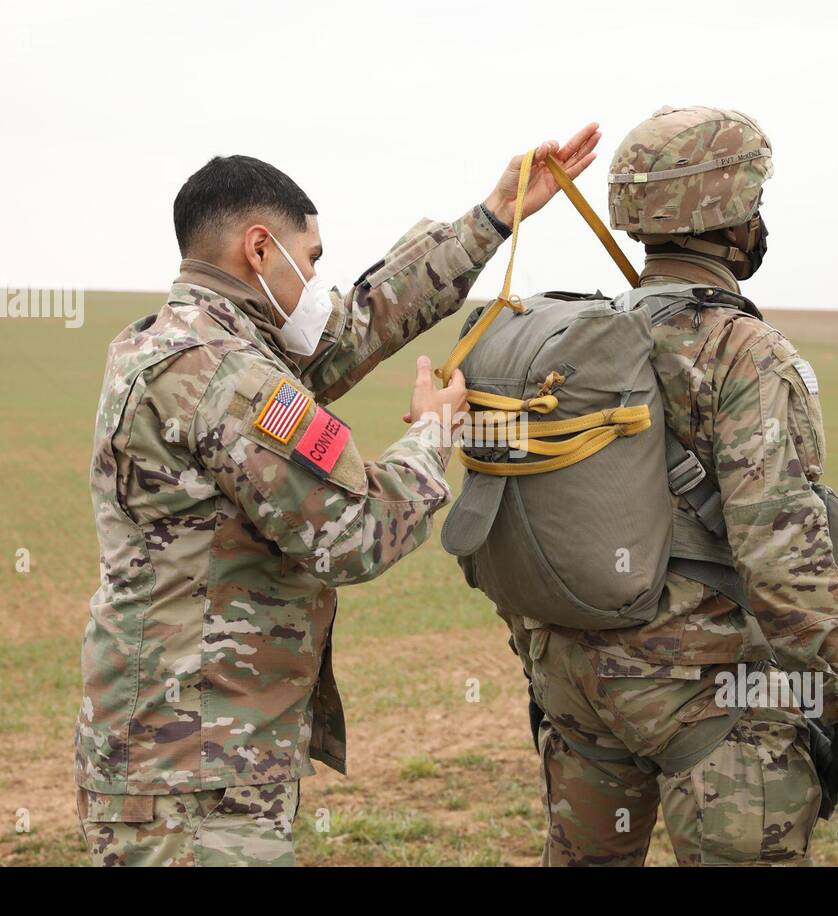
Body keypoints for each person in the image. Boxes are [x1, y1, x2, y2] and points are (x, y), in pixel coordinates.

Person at [74, 126, 601, 866]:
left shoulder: (180, 342)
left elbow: (358, 326)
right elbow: (355, 533)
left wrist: (491, 219)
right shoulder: (227, 376)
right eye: (312, 258)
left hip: (180, 759)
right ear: (259, 249)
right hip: (194, 779)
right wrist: (433, 435)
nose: (318, 282)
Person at [505, 106, 838, 865]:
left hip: (575, 681)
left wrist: (547, 671)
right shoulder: (744, 350)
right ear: (729, 216)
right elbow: (780, 547)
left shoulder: (580, 335)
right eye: (752, 203)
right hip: (708, 697)